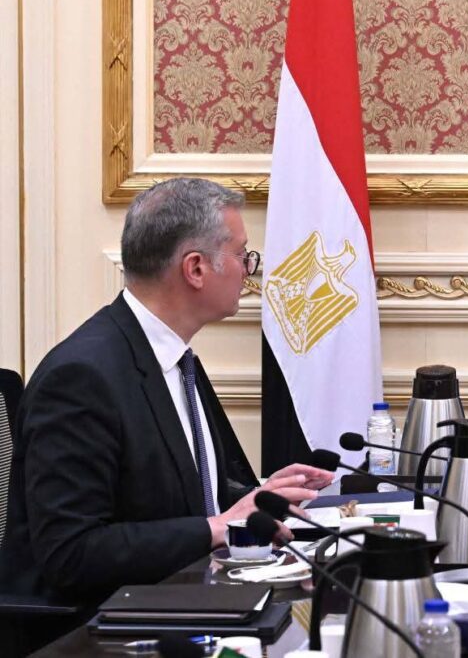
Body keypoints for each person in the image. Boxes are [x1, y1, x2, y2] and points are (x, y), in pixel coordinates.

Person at [0, 178, 333, 652]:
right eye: (242, 255)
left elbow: (186, 495)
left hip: (183, 601)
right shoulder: (81, 377)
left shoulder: (175, 360)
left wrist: (258, 498)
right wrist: (217, 527)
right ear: (195, 268)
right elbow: (72, 553)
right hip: (100, 634)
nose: (249, 270)